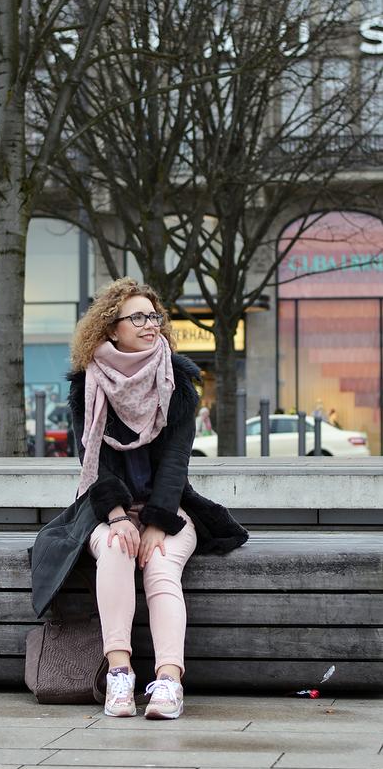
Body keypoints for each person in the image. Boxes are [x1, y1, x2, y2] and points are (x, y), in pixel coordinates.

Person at [31, 278, 249, 720]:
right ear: (111, 328)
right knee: (115, 549)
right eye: (138, 317)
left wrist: (155, 520)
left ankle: (169, 681)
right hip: (104, 507)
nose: (150, 325)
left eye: (153, 316)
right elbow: (93, 463)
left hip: (166, 506)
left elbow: (175, 462)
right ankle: (120, 675)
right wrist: (117, 517)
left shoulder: (179, 379)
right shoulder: (87, 385)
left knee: (161, 560)